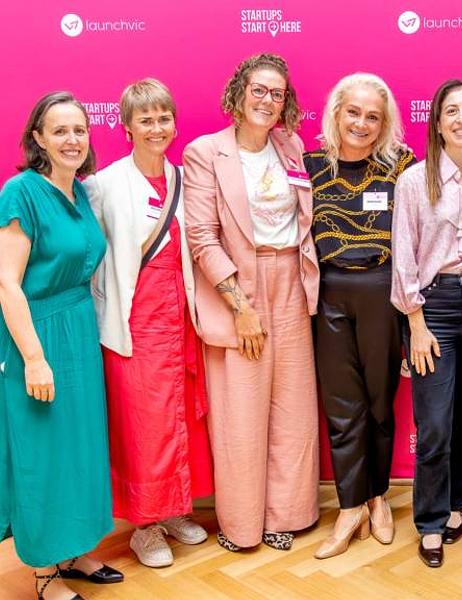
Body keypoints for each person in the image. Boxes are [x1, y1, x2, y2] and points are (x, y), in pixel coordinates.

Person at [182, 53, 320, 553]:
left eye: (277, 93)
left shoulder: (291, 146)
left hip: (291, 281)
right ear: (238, 94)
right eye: (259, 90)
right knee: (241, 411)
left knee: (293, 406)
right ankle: (241, 525)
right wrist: (241, 308)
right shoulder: (205, 152)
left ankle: (287, 514)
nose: (267, 100)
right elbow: (201, 237)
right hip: (238, 285)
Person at [84, 78, 214, 568]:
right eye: (146, 120)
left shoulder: (182, 179)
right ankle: (145, 525)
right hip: (135, 321)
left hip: (180, 317)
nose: (157, 128)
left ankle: (175, 509)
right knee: (146, 424)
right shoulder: (104, 184)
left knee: (180, 418)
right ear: (127, 127)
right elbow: (89, 253)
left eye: (164, 118)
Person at [0, 92, 122, 600]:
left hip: (78, 329)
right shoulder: (20, 193)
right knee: (45, 453)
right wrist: (33, 359)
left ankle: (74, 551)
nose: (72, 140)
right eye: (60, 131)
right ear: (39, 139)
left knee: (80, 448)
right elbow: (7, 283)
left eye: (80, 130)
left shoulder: (80, 192)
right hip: (38, 333)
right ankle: (45, 571)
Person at [303, 73, 415, 559]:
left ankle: (378, 496)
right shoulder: (308, 165)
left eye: (373, 116)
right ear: (336, 112)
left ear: (385, 123)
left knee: (380, 401)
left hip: (382, 292)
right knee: (342, 406)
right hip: (328, 292)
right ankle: (350, 507)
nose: (362, 123)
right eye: (353, 112)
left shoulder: (402, 167)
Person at [392, 79, 462, 569]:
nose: (461, 119)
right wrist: (415, 324)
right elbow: (404, 257)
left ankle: (457, 502)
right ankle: (430, 522)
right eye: (451, 111)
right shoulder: (416, 181)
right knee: (434, 423)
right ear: (436, 122)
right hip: (434, 306)